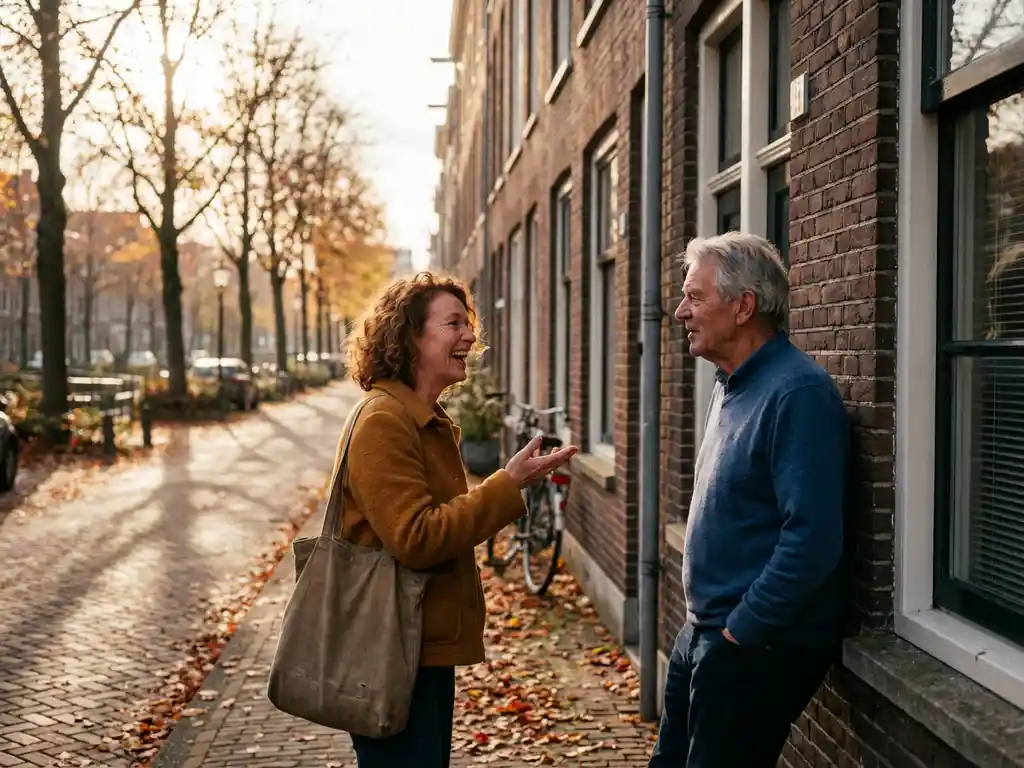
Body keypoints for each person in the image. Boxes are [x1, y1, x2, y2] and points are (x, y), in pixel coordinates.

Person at [340, 272, 578, 768]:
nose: (470, 335)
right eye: (454, 324)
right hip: (392, 650)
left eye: (467, 323)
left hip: (416, 643)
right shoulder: (385, 421)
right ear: (410, 338)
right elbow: (416, 537)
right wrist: (505, 486)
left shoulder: (420, 417)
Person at [650, 232, 851, 767]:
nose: (679, 311)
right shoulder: (730, 384)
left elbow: (812, 539)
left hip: (754, 645)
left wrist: (741, 631)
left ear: (743, 306)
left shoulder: (797, 394)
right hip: (704, 632)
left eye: (695, 297)